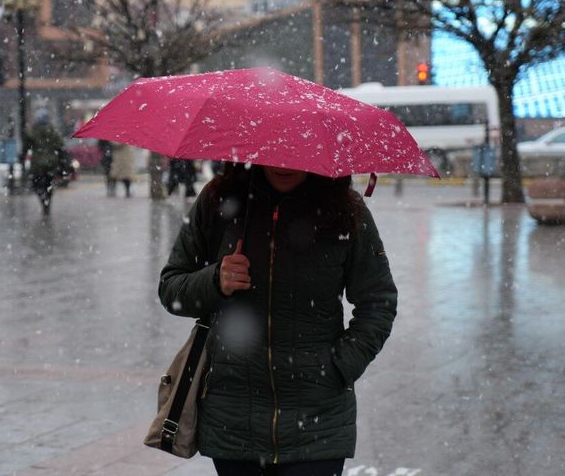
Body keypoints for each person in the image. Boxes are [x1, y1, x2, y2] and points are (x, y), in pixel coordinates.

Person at [158, 163, 398, 476]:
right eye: (274, 154)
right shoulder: (219, 199)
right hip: (234, 419)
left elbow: (378, 301)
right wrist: (216, 279)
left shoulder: (346, 211)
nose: (282, 164)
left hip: (317, 421)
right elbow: (171, 287)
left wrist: (339, 366)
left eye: (294, 154)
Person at [22, 108, 64, 215]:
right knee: (48, 184)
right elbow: (60, 145)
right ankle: (47, 202)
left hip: (37, 163)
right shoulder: (53, 131)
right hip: (51, 163)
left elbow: (26, 146)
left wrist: (22, 155)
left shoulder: (32, 131)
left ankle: (43, 199)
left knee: (37, 184)